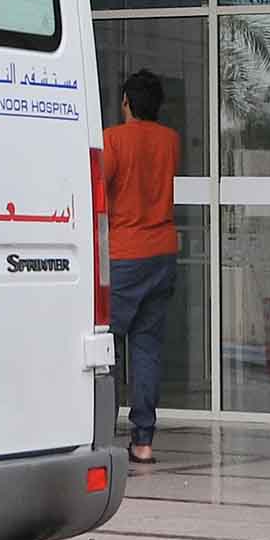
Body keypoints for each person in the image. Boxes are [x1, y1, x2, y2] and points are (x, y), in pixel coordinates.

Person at [100, 69, 182, 464]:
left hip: (124, 255)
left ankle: (101, 434)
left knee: (107, 347)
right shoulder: (170, 141)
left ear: (128, 102)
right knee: (147, 348)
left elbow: (97, 190)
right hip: (163, 253)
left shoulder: (113, 140)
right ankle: (144, 440)